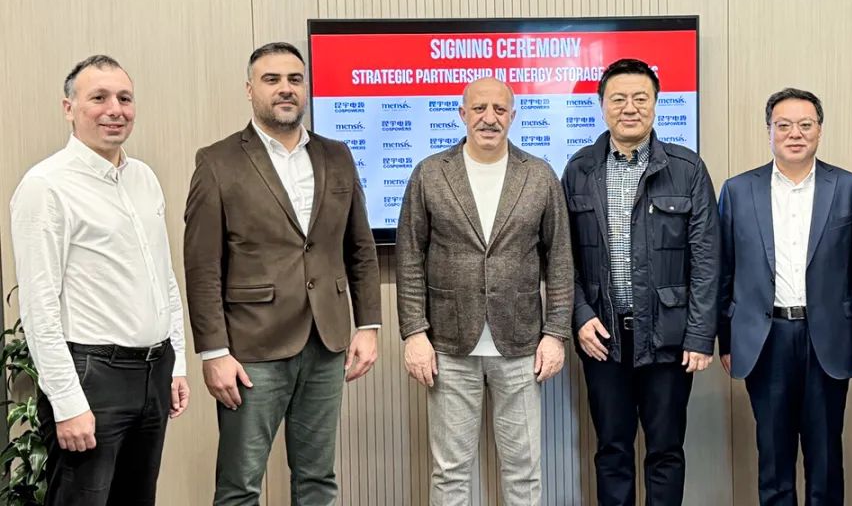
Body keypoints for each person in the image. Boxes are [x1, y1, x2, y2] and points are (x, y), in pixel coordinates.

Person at [183, 42, 381, 505]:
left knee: (318, 479)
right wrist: (214, 352)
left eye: (294, 79)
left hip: (327, 343)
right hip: (251, 348)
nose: (285, 88)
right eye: (271, 80)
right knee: (239, 485)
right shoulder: (217, 161)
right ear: (250, 89)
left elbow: (360, 248)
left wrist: (368, 325)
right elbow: (202, 266)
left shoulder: (337, 155)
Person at [10, 55, 189, 505]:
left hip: (153, 372)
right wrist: (68, 402)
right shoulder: (46, 185)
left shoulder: (144, 178)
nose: (115, 110)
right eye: (99, 98)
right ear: (69, 108)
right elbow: (39, 306)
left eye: (125, 98)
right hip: (92, 377)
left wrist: (177, 363)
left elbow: (163, 278)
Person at [395, 77, 573, 505]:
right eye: (478, 109)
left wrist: (555, 334)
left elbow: (560, 260)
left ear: (513, 116)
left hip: (522, 347)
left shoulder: (539, 175)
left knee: (524, 471)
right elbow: (409, 257)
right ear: (462, 114)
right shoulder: (430, 173)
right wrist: (414, 333)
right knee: (450, 472)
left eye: (499, 109)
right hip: (449, 347)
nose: (489, 118)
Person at [562, 58, 719, 505]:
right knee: (612, 450)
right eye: (618, 99)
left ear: (655, 103)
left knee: (666, 450)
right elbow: (561, 257)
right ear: (602, 106)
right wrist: (580, 316)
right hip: (602, 336)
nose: (629, 108)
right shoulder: (579, 169)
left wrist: (700, 335)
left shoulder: (687, 168)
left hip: (668, 338)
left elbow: (707, 258)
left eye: (640, 98)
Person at [716, 88, 852, 506]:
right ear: (768, 131)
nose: (794, 134)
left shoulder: (851, 188)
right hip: (765, 339)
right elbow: (724, 270)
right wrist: (726, 339)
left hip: (828, 339)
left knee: (826, 458)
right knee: (773, 457)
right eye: (783, 125)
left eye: (805, 124)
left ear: (820, 130)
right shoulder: (737, 190)